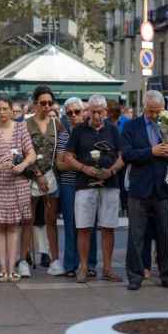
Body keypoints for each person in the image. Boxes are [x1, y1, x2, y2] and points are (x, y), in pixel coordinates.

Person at [122, 90, 168, 291]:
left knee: (166, 234)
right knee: (136, 236)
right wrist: (151, 152)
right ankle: (135, 276)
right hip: (139, 189)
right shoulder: (131, 126)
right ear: (144, 108)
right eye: (152, 112)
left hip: (164, 188)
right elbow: (127, 154)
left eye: (159, 111)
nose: (156, 115)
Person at [65, 94, 124, 283]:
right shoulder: (79, 130)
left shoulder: (114, 130)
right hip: (84, 184)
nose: (97, 115)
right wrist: (84, 168)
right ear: (88, 111)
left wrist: (112, 171)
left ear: (106, 112)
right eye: (93, 111)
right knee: (83, 227)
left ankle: (107, 268)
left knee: (108, 227)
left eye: (100, 112)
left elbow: (123, 156)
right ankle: (83, 267)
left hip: (110, 184)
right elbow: (68, 156)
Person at [0, 97, 36, 282]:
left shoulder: (21, 129)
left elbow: (31, 153)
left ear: (12, 111)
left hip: (17, 183)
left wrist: (23, 166)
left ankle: (12, 269)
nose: (3, 112)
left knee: (14, 227)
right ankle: (2, 269)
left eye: (6, 109)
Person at [20, 86, 65, 277]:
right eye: (42, 103)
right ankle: (23, 259)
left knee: (51, 219)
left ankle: (55, 260)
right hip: (31, 177)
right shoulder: (25, 125)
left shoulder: (57, 124)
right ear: (35, 104)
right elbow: (21, 151)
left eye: (49, 103)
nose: (46, 106)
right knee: (27, 219)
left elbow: (63, 147)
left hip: (52, 178)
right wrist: (37, 174)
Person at [57, 97, 97, 277]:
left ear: (84, 111)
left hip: (89, 183)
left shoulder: (91, 133)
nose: (74, 116)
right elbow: (60, 164)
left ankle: (91, 263)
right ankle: (71, 265)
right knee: (71, 224)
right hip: (69, 184)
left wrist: (72, 160)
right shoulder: (64, 135)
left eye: (77, 112)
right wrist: (81, 164)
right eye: (70, 113)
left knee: (90, 224)